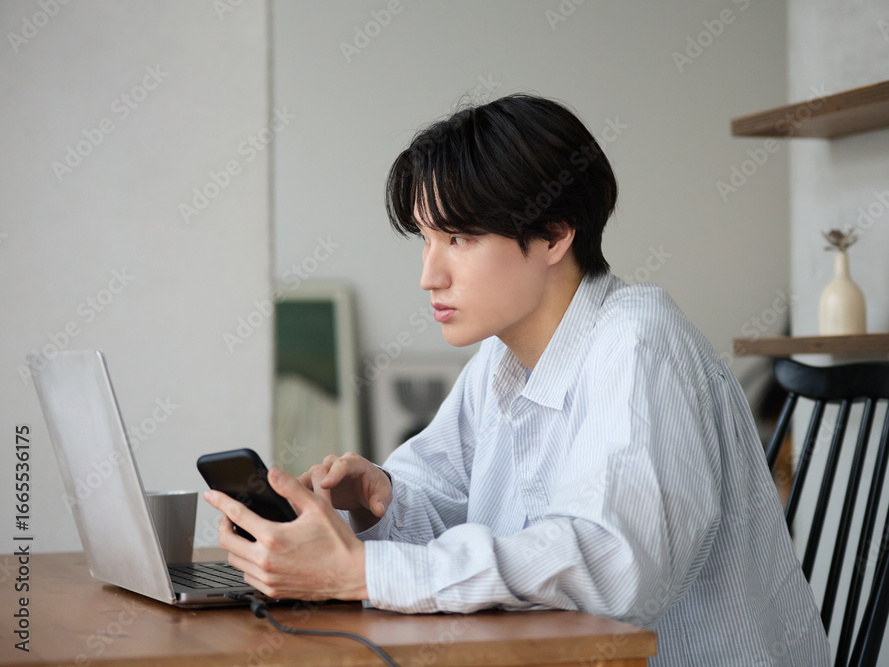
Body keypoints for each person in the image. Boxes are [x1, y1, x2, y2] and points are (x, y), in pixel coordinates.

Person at [205, 93, 830, 665]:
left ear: (554, 235)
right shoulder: (500, 361)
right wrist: (381, 499)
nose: (429, 276)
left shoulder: (639, 342)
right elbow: (453, 508)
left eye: (458, 237)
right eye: (426, 239)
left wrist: (362, 572)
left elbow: (611, 565)